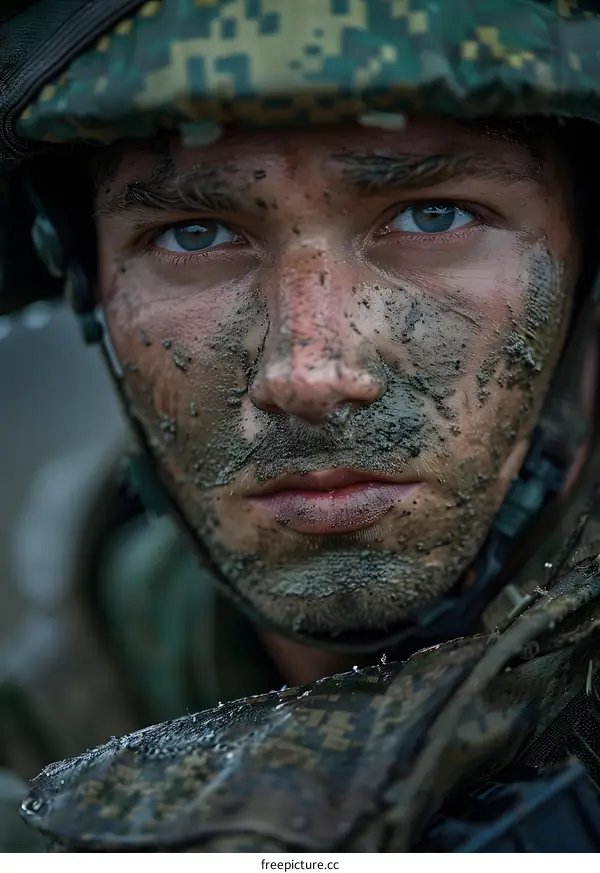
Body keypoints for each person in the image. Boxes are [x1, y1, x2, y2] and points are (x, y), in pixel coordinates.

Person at [3, 0, 600, 852]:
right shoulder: (58, 706)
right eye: (194, 232)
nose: (309, 374)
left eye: (435, 215)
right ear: (91, 287)